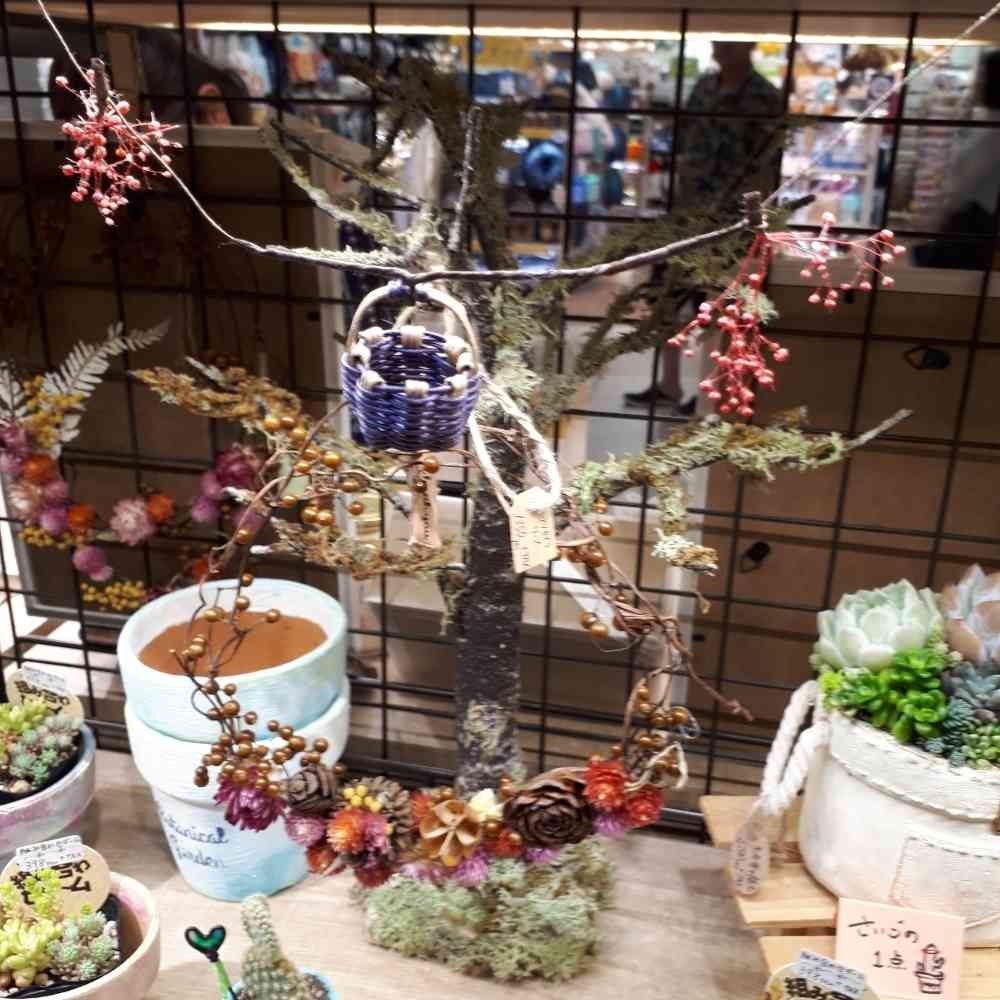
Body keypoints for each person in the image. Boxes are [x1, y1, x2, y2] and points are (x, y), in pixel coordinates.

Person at [624, 41, 783, 410]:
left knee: (719, 303)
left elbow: (769, 158)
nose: (719, 48)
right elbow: (687, 139)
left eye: (728, 41)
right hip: (689, 212)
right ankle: (669, 385)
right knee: (666, 297)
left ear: (748, 44)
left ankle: (708, 396)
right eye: (717, 41)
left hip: (732, 221)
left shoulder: (764, 96)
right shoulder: (704, 87)